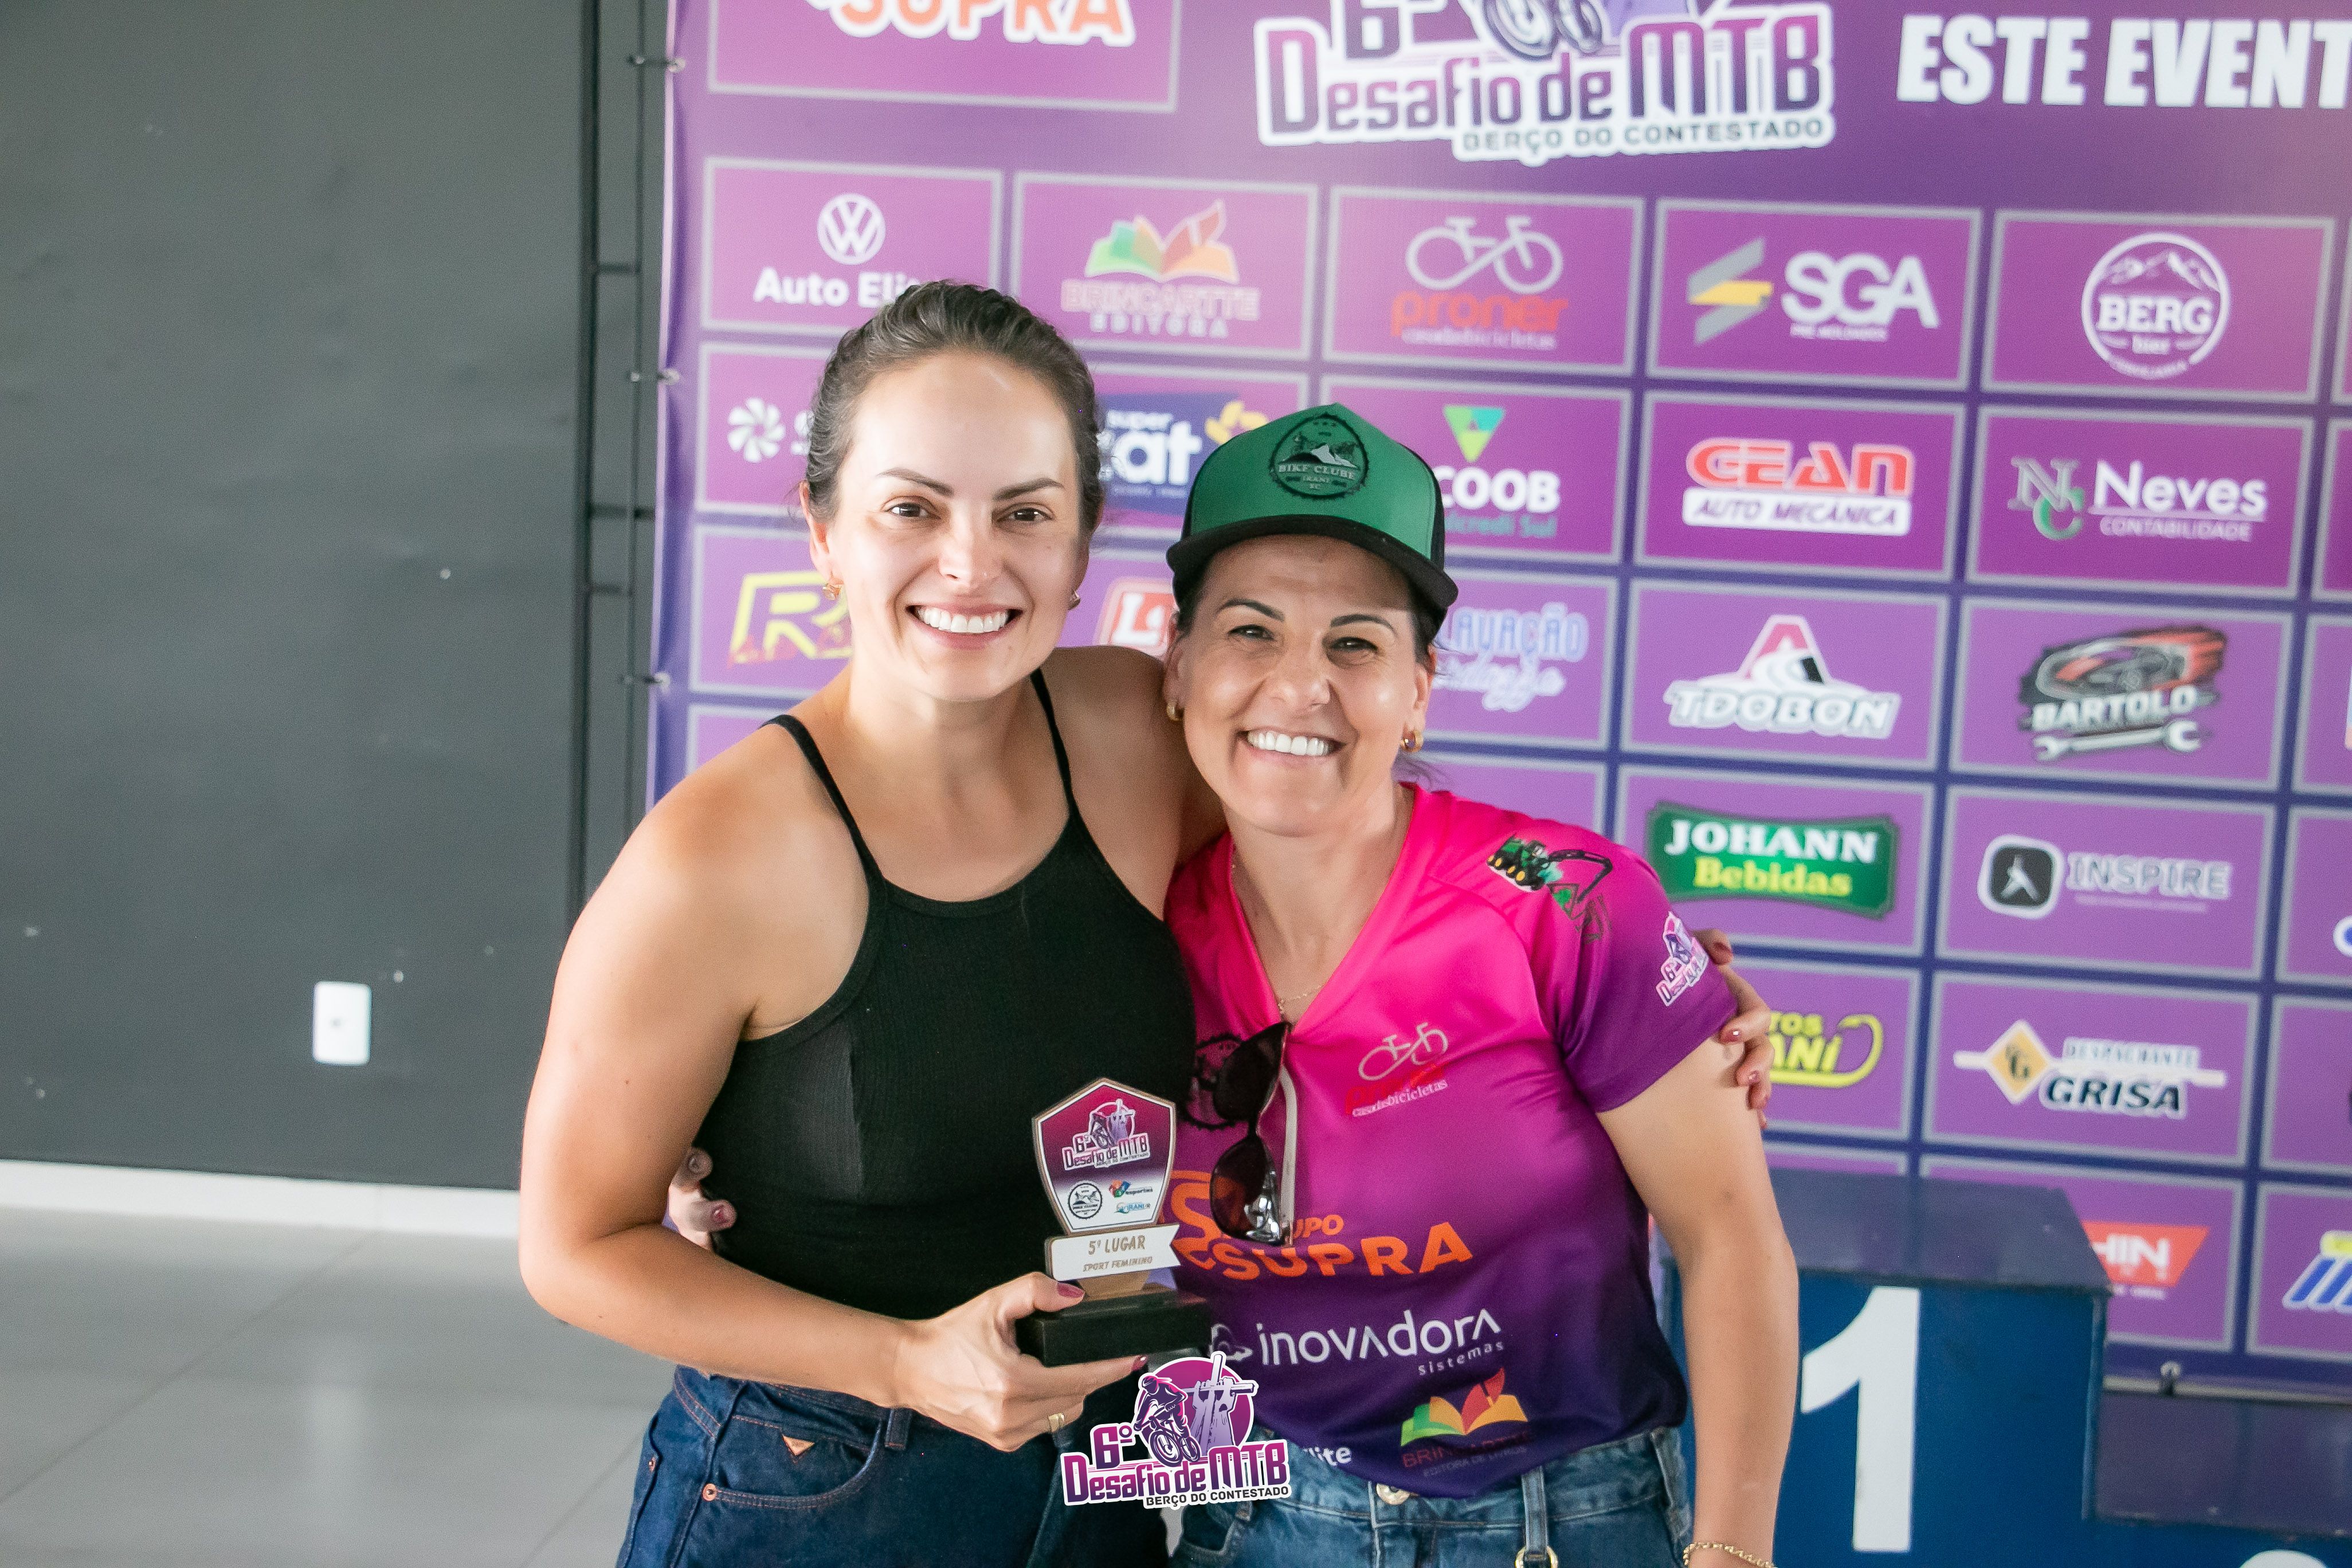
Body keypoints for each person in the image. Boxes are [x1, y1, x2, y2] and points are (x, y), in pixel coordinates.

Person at [522, 283, 1773, 1567]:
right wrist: (896, 1356)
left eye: (1025, 512)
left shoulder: (1131, 734)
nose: (970, 563)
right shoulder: (713, 857)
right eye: (911, 508)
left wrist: (1657, 987)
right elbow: (572, 1247)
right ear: (823, 530)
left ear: (1081, 550)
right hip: (828, 1483)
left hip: (1110, 1480)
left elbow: (1342, 818)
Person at [1150, 405, 1797, 1566]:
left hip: (1562, 1523)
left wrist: (1735, 1554)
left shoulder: (1567, 904)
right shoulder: (1125, 934)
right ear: (1178, 664)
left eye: (1356, 645)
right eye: (1251, 631)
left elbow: (1729, 1233)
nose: (1299, 685)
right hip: (1253, 1520)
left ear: (1420, 690)